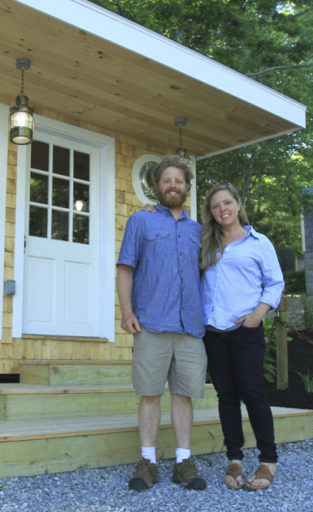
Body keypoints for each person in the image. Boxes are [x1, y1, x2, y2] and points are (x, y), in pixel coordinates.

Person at [116, 155, 207, 491]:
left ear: (186, 187)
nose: (172, 186)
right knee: (150, 393)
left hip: (190, 328)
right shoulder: (141, 222)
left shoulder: (199, 230)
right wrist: (127, 312)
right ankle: (148, 461)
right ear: (156, 186)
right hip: (151, 323)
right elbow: (125, 267)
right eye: (166, 180)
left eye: (178, 181)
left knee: (184, 395)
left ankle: (184, 461)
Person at [199, 182, 284, 491]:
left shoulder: (258, 242)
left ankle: (269, 459)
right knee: (226, 396)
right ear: (210, 212)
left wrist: (257, 315)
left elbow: (274, 283)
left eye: (227, 202)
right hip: (214, 333)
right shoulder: (206, 242)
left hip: (246, 331)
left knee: (253, 392)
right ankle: (234, 457)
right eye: (215, 205)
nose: (222, 209)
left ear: (237, 204)